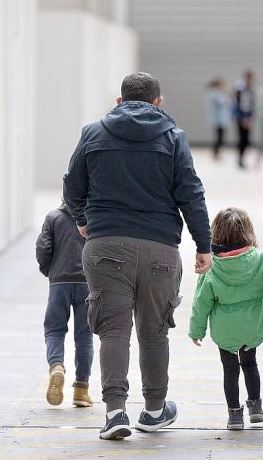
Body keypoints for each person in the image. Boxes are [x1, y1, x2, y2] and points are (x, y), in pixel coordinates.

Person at [63, 72, 213, 441]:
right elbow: (191, 194)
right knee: (154, 331)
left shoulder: (93, 132)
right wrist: (204, 245)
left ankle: (115, 413)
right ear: (157, 102)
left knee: (113, 330)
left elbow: (72, 185)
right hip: (160, 248)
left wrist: (83, 220)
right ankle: (155, 411)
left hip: (105, 245)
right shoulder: (173, 138)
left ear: (119, 100)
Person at [188, 208, 263, 431]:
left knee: (229, 370)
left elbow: (201, 303)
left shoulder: (211, 266)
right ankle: (256, 408)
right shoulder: (262, 260)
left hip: (225, 330)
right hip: (252, 326)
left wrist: (197, 331)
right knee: (250, 363)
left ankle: (234, 415)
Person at [36, 200, 93, 408]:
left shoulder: (53, 217)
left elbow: (43, 249)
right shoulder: (93, 217)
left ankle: (57, 366)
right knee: (84, 337)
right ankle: (81, 390)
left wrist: (50, 272)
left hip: (59, 282)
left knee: (54, 330)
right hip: (87, 283)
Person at [233, 70, 256, 169]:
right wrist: (242, 118)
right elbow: (238, 104)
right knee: (242, 139)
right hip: (241, 118)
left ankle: (242, 158)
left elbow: (251, 105)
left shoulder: (250, 89)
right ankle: (240, 159)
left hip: (247, 118)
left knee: (246, 139)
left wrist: (250, 117)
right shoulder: (240, 89)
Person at [205, 78, 231, 160]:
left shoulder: (217, 94)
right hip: (218, 120)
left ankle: (216, 152)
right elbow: (224, 102)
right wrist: (225, 93)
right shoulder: (215, 94)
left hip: (220, 119)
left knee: (220, 137)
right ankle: (215, 153)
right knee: (219, 137)